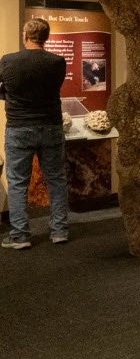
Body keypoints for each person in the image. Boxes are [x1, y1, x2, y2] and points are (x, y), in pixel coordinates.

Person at [0, 18, 68, 249]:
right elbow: (50, 89)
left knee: (18, 183)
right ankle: (59, 231)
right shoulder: (57, 62)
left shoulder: (8, 61)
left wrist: (9, 94)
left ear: (25, 35)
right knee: (56, 181)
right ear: (46, 37)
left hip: (19, 128)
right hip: (51, 127)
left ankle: (20, 236)